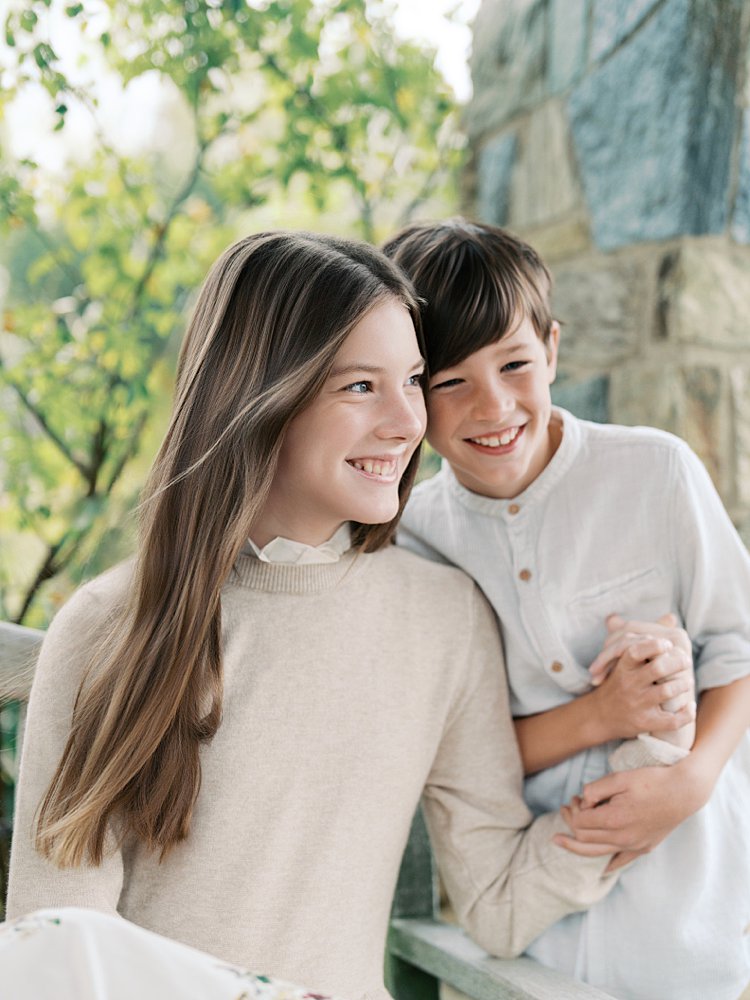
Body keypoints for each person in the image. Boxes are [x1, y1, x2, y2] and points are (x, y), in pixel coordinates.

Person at [6, 232, 624, 1000]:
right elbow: (60, 947)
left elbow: (498, 900)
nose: (407, 423)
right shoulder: (109, 627)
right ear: (261, 396)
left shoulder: (446, 620)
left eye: (413, 380)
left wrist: (658, 753)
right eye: (360, 387)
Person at [385, 219, 750, 1000]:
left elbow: (739, 648)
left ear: (552, 348)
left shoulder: (655, 471)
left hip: (696, 900)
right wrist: (601, 717)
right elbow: (438, 761)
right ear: (413, 392)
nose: (493, 406)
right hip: (541, 915)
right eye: (451, 382)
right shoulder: (413, 539)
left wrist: (692, 779)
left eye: (515, 364)